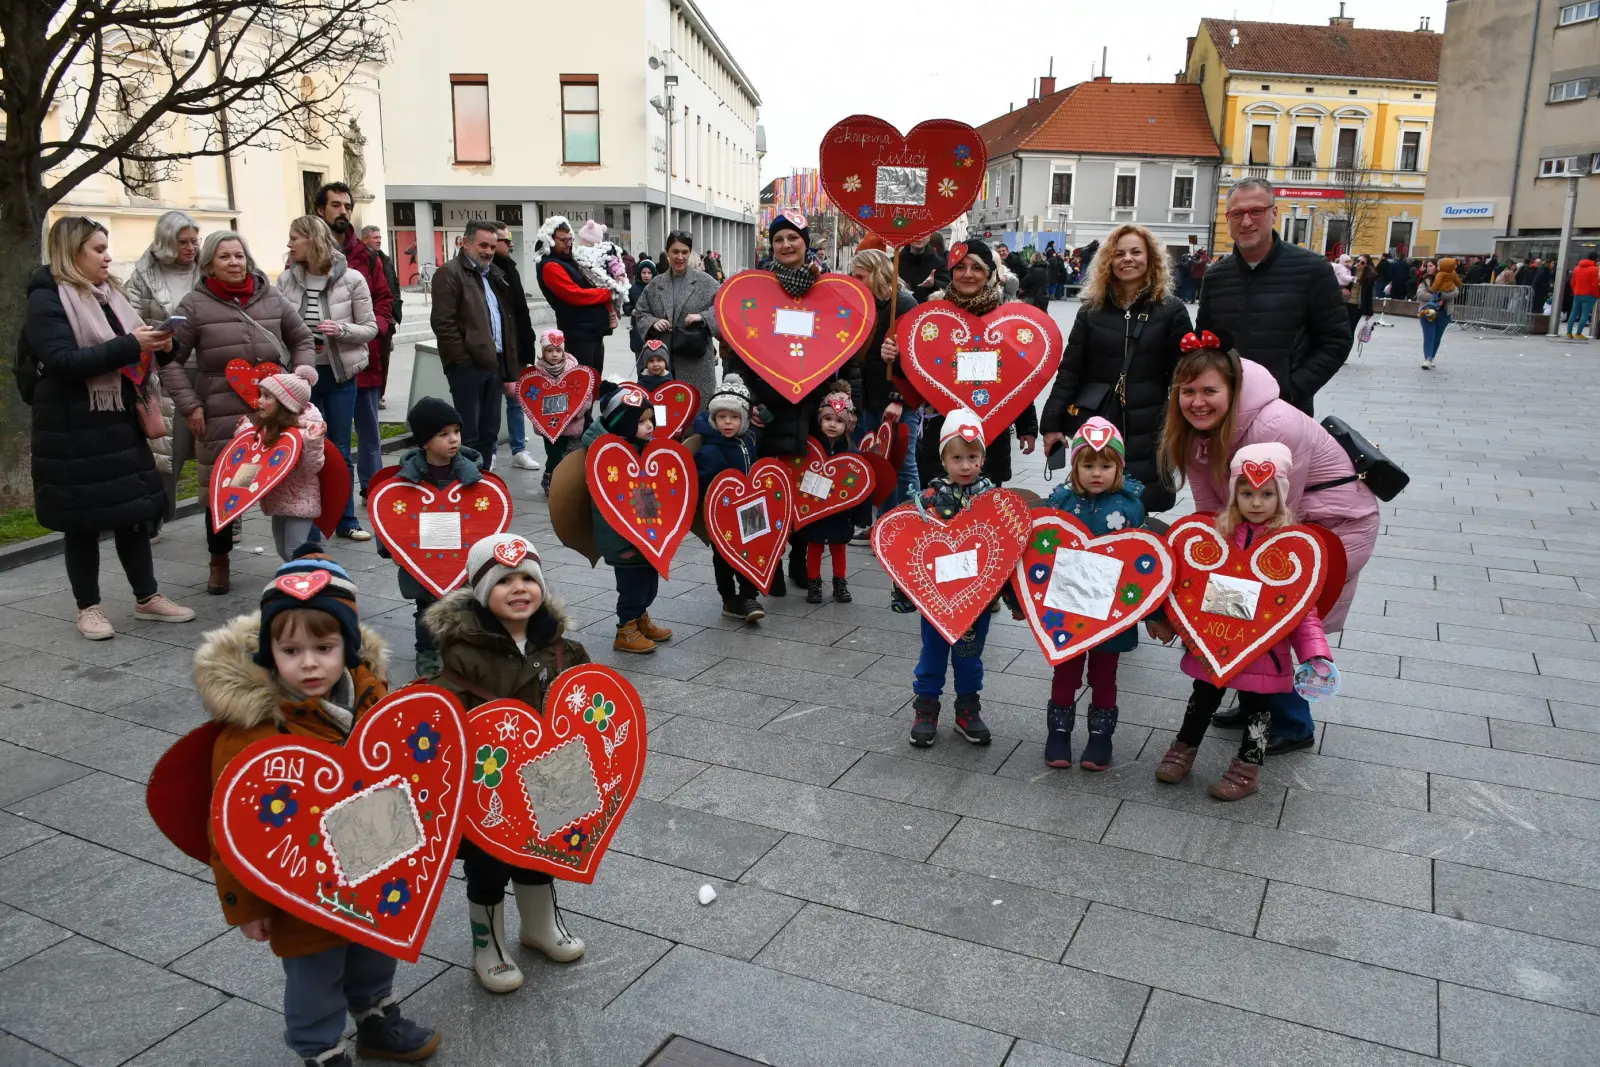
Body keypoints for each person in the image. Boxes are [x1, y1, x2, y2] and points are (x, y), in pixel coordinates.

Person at [196, 548, 441, 1065]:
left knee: (376, 946)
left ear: (348, 647)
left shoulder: (372, 695)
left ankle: (374, 1014)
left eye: (324, 647)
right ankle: (320, 1049)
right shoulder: (253, 733)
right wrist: (248, 905)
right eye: (290, 650)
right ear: (269, 653)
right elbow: (231, 827)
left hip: (376, 862)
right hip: (301, 881)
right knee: (315, 970)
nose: (309, 662)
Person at [1155, 342, 1378, 751]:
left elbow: (1281, 512)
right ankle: (1251, 698)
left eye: (1209, 391)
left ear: (1233, 389)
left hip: (1329, 526)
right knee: (1244, 609)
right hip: (1265, 523)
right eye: (1187, 392)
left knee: (1278, 615)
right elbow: (1209, 511)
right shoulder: (1194, 431)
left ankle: (1293, 723)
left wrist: (1235, 568)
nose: (1197, 402)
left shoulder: (1275, 425)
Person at [425, 534, 588, 993]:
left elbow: (585, 702)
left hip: (547, 775)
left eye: (527, 579)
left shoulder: (561, 646)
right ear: (481, 591)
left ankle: (540, 925)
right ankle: (488, 944)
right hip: (490, 784)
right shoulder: (462, 651)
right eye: (503, 581)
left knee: (542, 852)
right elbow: (447, 718)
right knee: (488, 863)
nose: (518, 589)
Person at [23, 216, 196, 639]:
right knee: (81, 520)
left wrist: (163, 344)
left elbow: (132, 350)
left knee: (133, 512)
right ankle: (89, 608)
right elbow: (63, 361)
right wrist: (131, 344)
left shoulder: (109, 294)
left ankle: (147, 597)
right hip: (72, 429)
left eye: (107, 248)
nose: (108, 257)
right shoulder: (46, 298)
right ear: (72, 252)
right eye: (98, 249)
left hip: (118, 421)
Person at [1151, 443, 1335, 801]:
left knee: (1259, 712)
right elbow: (1190, 586)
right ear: (1234, 495)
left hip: (1265, 652)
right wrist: (1169, 621)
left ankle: (1248, 768)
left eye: (1267, 494)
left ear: (1281, 497)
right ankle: (1184, 748)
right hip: (1214, 642)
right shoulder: (1219, 535)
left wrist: (1315, 653)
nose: (1256, 502)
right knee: (1202, 698)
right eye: (1247, 493)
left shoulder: (1290, 546)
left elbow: (1303, 609)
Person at [167, 230, 317, 594]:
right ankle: (219, 560)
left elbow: (302, 339)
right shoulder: (193, 305)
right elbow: (169, 361)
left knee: (290, 483)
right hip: (220, 413)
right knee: (223, 487)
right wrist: (190, 405)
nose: (234, 263)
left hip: (276, 412)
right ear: (209, 265)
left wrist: (301, 377)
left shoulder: (272, 297)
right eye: (224, 257)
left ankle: (299, 557)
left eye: (239, 255)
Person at [1040, 223, 1192, 515]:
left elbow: (1183, 376)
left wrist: (1184, 430)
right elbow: (1070, 370)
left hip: (1151, 424)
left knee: (1142, 506)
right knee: (1095, 503)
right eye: (1119, 253)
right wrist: (1052, 424)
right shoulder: (1091, 310)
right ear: (1108, 260)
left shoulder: (1171, 310)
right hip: (1100, 423)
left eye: (1136, 252)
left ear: (1151, 258)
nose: (1127, 259)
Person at [1041, 418, 1147, 770]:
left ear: (1119, 468)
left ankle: (1101, 736)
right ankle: (1058, 732)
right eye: (1087, 466)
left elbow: (1145, 562)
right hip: (1067, 605)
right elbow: (1040, 552)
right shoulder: (1060, 503)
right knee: (1065, 671)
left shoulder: (1130, 507)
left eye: (1105, 465)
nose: (1096, 473)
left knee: (1104, 674)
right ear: (1075, 467)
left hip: (1111, 610)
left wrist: (1152, 614)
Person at [1197, 178, 1350, 416]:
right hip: (1226, 412)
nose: (1246, 221)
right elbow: (1205, 342)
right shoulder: (1216, 276)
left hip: (1286, 411)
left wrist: (1292, 390)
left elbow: (1336, 341)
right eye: (1237, 213)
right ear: (1228, 218)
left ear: (1274, 213)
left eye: (1256, 211)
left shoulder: (1312, 269)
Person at [909, 410, 1015, 748]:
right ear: (944, 460)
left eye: (972, 457)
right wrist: (904, 592)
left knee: (970, 655)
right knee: (933, 653)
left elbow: (1007, 551)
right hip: (937, 597)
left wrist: (1012, 597)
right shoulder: (928, 500)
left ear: (982, 458)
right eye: (957, 458)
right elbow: (911, 549)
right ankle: (926, 708)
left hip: (977, 597)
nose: (966, 465)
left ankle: (967, 708)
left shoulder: (992, 500)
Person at [275, 214, 379, 542]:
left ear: (313, 239)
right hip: (300, 379)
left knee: (339, 449)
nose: (289, 243)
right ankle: (309, 525)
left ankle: (346, 519)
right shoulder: (286, 279)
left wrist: (341, 330)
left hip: (338, 376)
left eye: (295, 237)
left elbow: (370, 328)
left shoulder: (352, 279)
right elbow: (276, 327)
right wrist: (297, 341)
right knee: (303, 450)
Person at [914, 239, 1036, 495]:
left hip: (990, 430)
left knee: (985, 506)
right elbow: (916, 371)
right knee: (939, 505)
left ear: (989, 274)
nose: (968, 274)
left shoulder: (1005, 320)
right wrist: (894, 356)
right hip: (941, 427)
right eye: (960, 267)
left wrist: (1027, 427)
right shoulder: (932, 316)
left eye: (977, 268)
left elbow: (1018, 376)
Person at [378, 397, 484, 675]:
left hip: (461, 553)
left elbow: (484, 514)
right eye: (443, 434)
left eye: (456, 432)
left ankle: (460, 649)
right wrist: (392, 549)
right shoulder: (406, 478)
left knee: (464, 604)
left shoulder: (472, 475)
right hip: (424, 554)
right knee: (426, 606)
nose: (453, 439)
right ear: (425, 441)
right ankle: (426, 651)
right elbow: (391, 512)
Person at [313, 183, 392, 539]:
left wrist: (377, 330)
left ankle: (372, 490)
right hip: (324, 365)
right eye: (336, 205)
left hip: (364, 359)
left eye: (347, 205)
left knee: (369, 432)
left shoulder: (367, 256)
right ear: (320, 210)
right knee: (327, 439)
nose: (343, 211)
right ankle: (328, 504)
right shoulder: (303, 255)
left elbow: (384, 299)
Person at [579, 384, 674, 652]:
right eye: (641, 421)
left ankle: (641, 618)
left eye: (650, 420)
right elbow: (609, 506)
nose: (649, 426)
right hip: (621, 537)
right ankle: (626, 629)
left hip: (645, 532)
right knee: (632, 586)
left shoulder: (641, 447)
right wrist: (623, 543)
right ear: (623, 423)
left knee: (649, 583)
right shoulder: (605, 456)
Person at [126, 210, 202, 523]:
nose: (191, 247)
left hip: (207, 364)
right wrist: (153, 332)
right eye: (183, 242)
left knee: (218, 447)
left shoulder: (209, 267)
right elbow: (128, 318)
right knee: (167, 451)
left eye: (195, 241)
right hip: (165, 369)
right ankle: (157, 517)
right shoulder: (144, 274)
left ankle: (227, 521)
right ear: (166, 242)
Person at [430, 220, 519, 464]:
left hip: (493, 363)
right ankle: (467, 482)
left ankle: (483, 480)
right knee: (468, 435)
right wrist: (463, 361)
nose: (488, 251)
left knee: (489, 432)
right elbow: (443, 324)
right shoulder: (449, 273)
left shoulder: (491, 274)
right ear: (465, 243)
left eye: (493, 246)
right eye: (483, 245)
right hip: (468, 368)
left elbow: (503, 319)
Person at [851, 248, 922, 521]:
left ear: (876, 273)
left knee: (903, 463)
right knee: (879, 463)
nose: (856, 282)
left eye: (860, 276)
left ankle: (911, 522)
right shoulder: (866, 304)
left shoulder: (902, 303)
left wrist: (898, 398)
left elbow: (914, 357)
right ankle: (885, 521)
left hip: (896, 399)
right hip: (871, 397)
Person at [692, 373, 767, 623]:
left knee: (750, 551)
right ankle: (729, 598)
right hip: (722, 515)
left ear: (743, 419)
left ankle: (749, 596)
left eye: (734, 417)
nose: (727, 422)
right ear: (713, 419)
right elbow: (702, 485)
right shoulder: (711, 450)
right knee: (724, 558)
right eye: (721, 416)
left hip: (750, 510)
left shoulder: (748, 440)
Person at [233, 373, 327, 560]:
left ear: (285, 403)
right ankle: (298, 574)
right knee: (283, 551)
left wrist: (313, 442)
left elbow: (312, 467)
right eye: (260, 395)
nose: (259, 401)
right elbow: (256, 455)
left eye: (267, 397)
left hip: (301, 501)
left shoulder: (305, 432)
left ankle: (308, 575)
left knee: (294, 552)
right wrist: (243, 432)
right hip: (278, 501)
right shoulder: (270, 428)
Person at [630, 230, 719, 407]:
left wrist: (703, 317)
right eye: (675, 251)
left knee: (696, 411)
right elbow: (640, 312)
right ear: (667, 252)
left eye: (685, 252)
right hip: (662, 364)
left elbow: (724, 309)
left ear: (690, 253)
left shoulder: (706, 282)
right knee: (665, 412)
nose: (680, 257)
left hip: (697, 363)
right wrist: (653, 322)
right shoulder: (656, 284)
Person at [800, 384, 859, 605]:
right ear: (820, 420)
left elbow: (858, 483)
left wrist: (860, 514)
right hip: (814, 504)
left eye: (839, 421)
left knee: (838, 544)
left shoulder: (851, 452)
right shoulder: (811, 447)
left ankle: (840, 581)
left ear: (847, 425)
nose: (833, 425)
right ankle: (814, 581)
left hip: (839, 508)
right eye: (828, 419)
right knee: (814, 544)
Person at [534, 216, 614, 374]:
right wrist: (606, 293)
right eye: (563, 240)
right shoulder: (551, 266)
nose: (568, 243)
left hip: (591, 332)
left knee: (594, 380)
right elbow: (575, 295)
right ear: (550, 240)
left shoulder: (567, 260)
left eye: (570, 239)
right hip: (579, 335)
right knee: (583, 382)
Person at [493, 222, 542, 472]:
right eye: (505, 240)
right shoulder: (485, 272)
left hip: (516, 346)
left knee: (515, 399)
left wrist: (527, 344)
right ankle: (489, 452)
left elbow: (520, 311)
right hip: (495, 347)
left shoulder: (510, 268)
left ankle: (519, 449)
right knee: (491, 402)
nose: (510, 244)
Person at [528, 329, 589, 494]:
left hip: (570, 422)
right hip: (549, 424)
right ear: (543, 352)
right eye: (549, 350)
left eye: (557, 350)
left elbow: (585, 393)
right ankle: (550, 477)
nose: (554, 354)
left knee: (568, 454)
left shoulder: (573, 370)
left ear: (563, 351)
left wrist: (578, 411)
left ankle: (563, 481)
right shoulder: (538, 373)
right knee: (554, 454)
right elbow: (531, 394)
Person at [359, 225, 402, 410]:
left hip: (386, 318)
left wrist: (394, 311)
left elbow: (394, 287)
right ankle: (368, 395)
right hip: (366, 319)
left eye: (379, 237)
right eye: (374, 237)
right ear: (364, 240)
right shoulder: (361, 261)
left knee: (384, 359)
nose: (378, 240)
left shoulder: (385, 260)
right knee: (369, 360)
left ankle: (379, 395)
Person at [1418, 256, 1461, 370]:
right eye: (1427, 266)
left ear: (1439, 266)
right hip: (1427, 311)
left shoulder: (1449, 278)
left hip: (1444, 312)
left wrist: (1442, 295)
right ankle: (1427, 359)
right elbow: (1420, 294)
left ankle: (1432, 357)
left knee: (1437, 337)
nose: (1428, 268)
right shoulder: (1426, 280)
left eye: (1431, 266)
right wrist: (1435, 297)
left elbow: (1455, 292)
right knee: (1429, 336)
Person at [895, 234, 950, 303]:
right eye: (915, 233)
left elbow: (948, 286)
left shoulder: (940, 263)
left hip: (927, 308)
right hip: (900, 307)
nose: (920, 238)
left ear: (929, 237)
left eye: (924, 234)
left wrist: (934, 283)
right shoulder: (895, 262)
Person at [1567, 250, 1598, 339]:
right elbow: (1594, 284)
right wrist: (1596, 294)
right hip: (1589, 295)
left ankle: (1569, 332)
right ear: (1595, 259)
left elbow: (1573, 282)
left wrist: (1575, 291)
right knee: (1585, 314)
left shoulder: (1577, 268)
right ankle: (1578, 333)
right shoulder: (1594, 269)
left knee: (1573, 313)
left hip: (1577, 294)